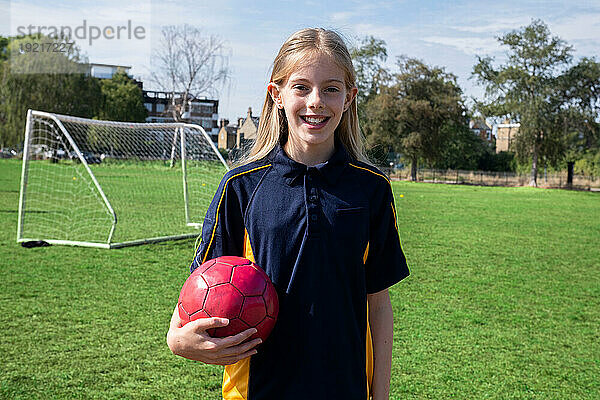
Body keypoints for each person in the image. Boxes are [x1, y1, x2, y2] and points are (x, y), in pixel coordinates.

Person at [166, 27, 409, 400]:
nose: (316, 101)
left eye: (331, 88)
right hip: (258, 390)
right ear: (276, 95)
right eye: (301, 87)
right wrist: (177, 340)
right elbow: (202, 288)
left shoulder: (371, 189)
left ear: (349, 97)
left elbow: (378, 303)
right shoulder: (241, 187)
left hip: (345, 389)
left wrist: (380, 396)